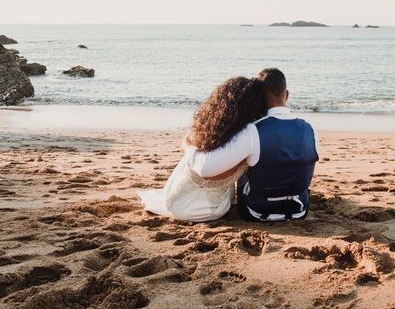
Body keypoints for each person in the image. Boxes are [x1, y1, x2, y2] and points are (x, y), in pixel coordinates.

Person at [192, 68, 320, 221]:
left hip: (256, 211)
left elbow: (205, 169)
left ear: (259, 99)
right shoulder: (309, 129)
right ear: (287, 95)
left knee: (246, 163)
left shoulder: (253, 131)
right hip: (298, 210)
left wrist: (191, 148)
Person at [137, 76, 266, 222]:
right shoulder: (247, 136)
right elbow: (205, 168)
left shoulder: (211, 128)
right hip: (200, 209)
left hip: (188, 198)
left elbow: (188, 144)